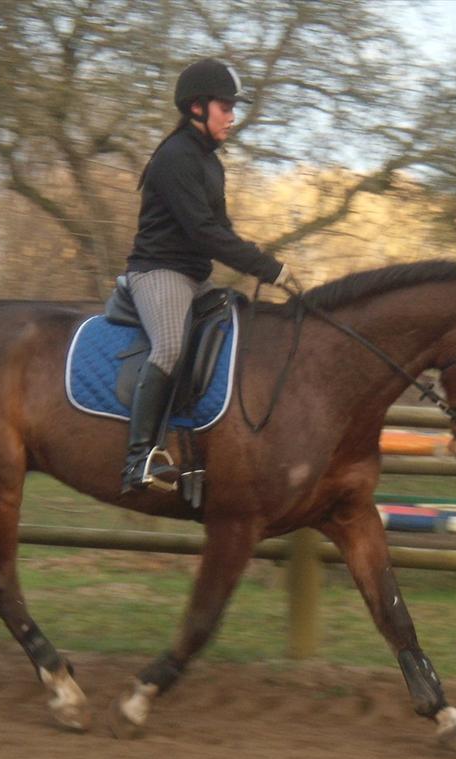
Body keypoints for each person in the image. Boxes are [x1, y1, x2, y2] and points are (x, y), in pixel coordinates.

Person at [121, 57, 303, 494]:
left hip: (194, 277)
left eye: (233, 108)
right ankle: (138, 458)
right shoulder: (175, 157)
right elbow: (203, 233)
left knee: (235, 332)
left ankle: (196, 450)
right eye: (226, 107)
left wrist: (267, 264)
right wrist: (268, 268)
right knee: (169, 346)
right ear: (197, 107)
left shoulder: (210, 163)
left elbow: (222, 231)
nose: (232, 116)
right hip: (158, 272)